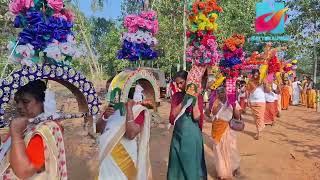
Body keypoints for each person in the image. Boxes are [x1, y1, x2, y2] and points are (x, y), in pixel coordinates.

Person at [0, 80, 67, 179]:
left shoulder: (44, 130)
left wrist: (16, 135)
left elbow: (24, 172)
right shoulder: (25, 124)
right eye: (17, 101)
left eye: (25, 101)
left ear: (42, 102)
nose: (19, 106)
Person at [96, 85, 152, 180]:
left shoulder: (138, 110)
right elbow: (98, 129)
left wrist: (129, 108)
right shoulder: (111, 108)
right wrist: (104, 116)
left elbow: (131, 134)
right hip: (107, 157)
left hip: (124, 157)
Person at [167, 70, 207, 180]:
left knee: (191, 163)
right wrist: (183, 102)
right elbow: (172, 116)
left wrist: (193, 100)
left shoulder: (198, 96)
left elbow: (197, 117)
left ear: (188, 81)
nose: (179, 86)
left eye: (181, 83)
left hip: (192, 135)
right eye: (177, 83)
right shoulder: (176, 96)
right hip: (178, 133)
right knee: (177, 162)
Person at [211, 86, 241, 180]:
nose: (221, 94)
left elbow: (237, 117)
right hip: (217, 130)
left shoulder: (232, 101)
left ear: (226, 92)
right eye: (219, 92)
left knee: (231, 150)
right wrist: (219, 105)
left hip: (229, 130)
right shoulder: (215, 102)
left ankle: (233, 168)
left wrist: (233, 105)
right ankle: (222, 172)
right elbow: (213, 112)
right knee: (218, 151)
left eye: (222, 92)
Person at [247, 69, 268, 140]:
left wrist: (265, 84)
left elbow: (267, 90)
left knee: (260, 117)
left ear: (259, 74)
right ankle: (259, 129)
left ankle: (259, 132)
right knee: (256, 118)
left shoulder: (262, 80)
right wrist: (247, 100)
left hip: (261, 101)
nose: (256, 76)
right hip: (252, 102)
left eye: (257, 74)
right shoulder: (250, 81)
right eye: (254, 74)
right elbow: (248, 92)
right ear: (252, 74)